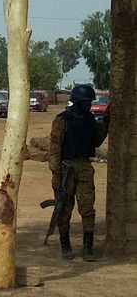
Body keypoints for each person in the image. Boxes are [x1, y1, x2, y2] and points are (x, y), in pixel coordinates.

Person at [49, 84, 110, 262]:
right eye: (87, 102)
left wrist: (105, 122)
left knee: (87, 208)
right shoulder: (62, 120)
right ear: (78, 102)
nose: (90, 105)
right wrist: (56, 175)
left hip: (84, 167)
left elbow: (97, 141)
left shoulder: (90, 119)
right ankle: (65, 244)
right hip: (66, 168)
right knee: (64, 209)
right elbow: (54, 150)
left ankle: (87, 247)